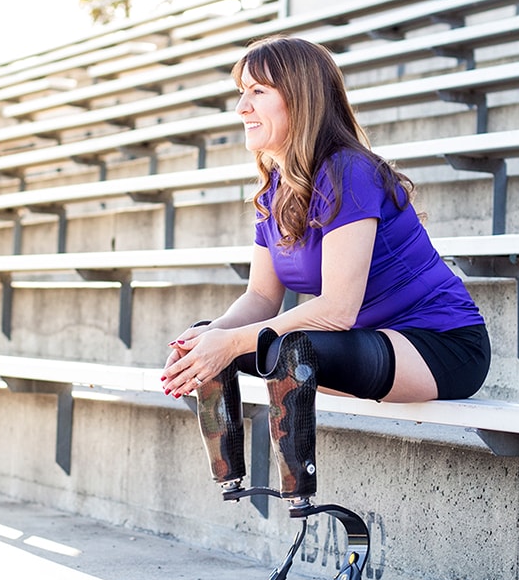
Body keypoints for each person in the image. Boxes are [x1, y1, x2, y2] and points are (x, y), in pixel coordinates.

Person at [161, 35, 490, 513]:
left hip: (440, 343)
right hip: (365, 341)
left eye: (257, 92)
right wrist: (209, 340)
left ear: (300, 96)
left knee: (285, 349)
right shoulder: (275, 186)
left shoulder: (347, 171)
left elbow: (337, 309)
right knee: (209, 341)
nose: (241, 107)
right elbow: (259, 298)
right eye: (241, 92)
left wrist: (231, 342)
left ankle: (299, 497)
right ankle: (229, 483)